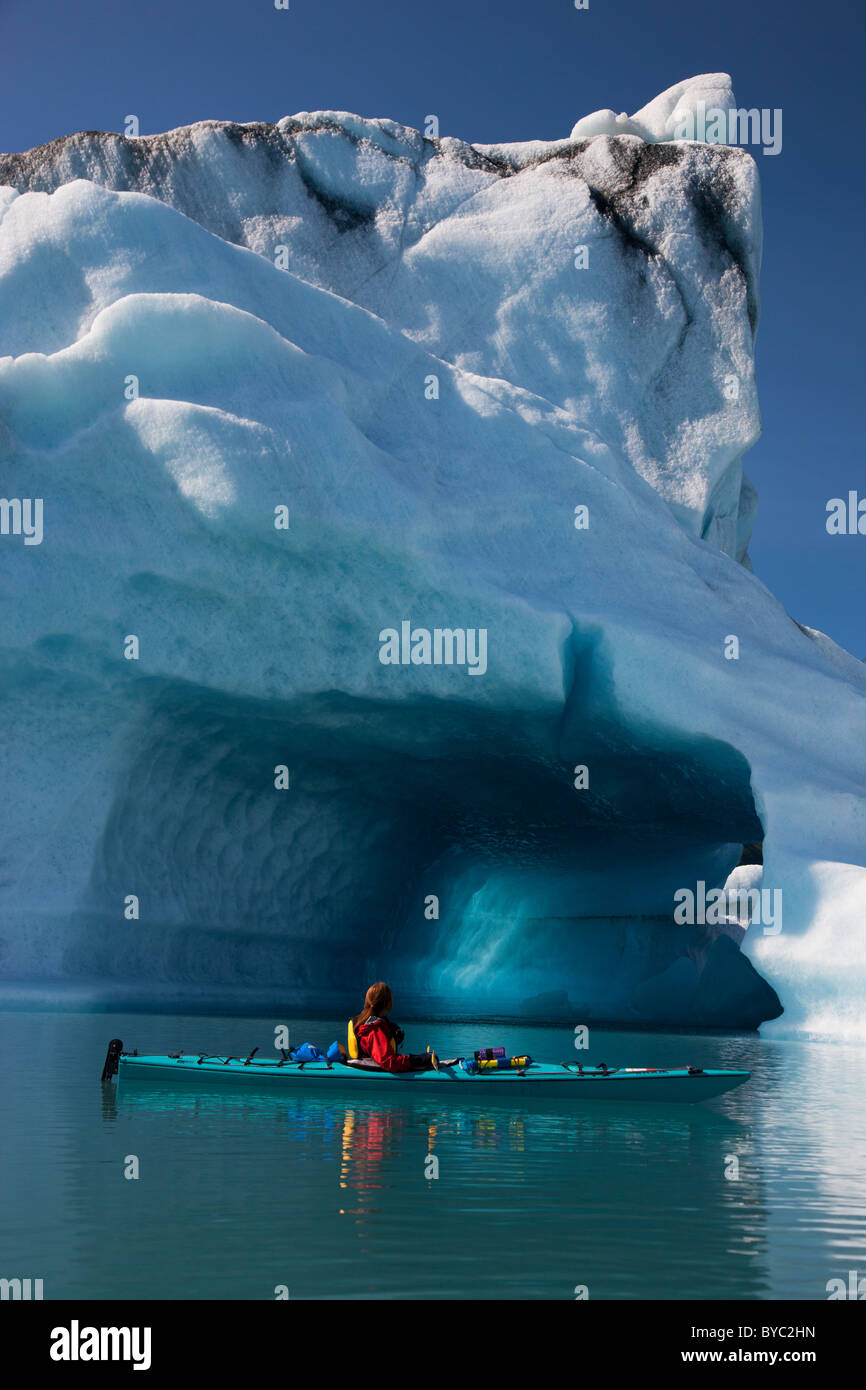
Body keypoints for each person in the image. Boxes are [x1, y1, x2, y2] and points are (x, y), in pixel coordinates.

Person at [348, 982, 439, 1072]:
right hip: (376, 1072)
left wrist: (391, 1035)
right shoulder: (374, 1029)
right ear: (388, 1003)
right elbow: (389, 1062)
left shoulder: (363, 1022)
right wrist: (420, 1059)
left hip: (366, 1066)